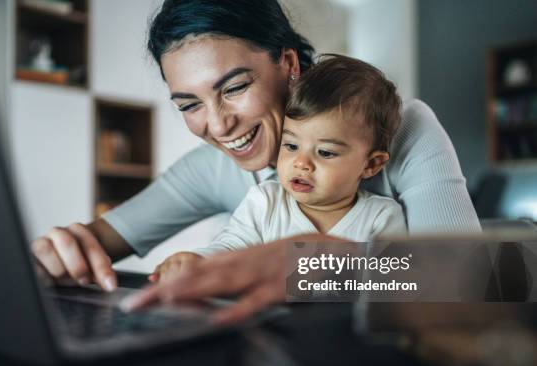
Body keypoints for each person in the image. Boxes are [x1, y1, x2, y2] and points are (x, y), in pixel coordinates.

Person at [31, 0, 481, 323]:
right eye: (189, 105)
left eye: (233, 87)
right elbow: (91, 245)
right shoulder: (213, 168)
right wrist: (52, 254)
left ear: (287, 64)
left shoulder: (405, 127)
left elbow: (490, 276)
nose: (219, 125)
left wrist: (327, 265)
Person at [151, 55, 406, 282]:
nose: (301, 163)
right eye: (291, 145)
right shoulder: (265, 201)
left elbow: (391, 283)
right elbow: (231, 247)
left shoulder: (381, 217)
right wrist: (199, 262)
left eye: (325, 152)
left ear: (371, 165)